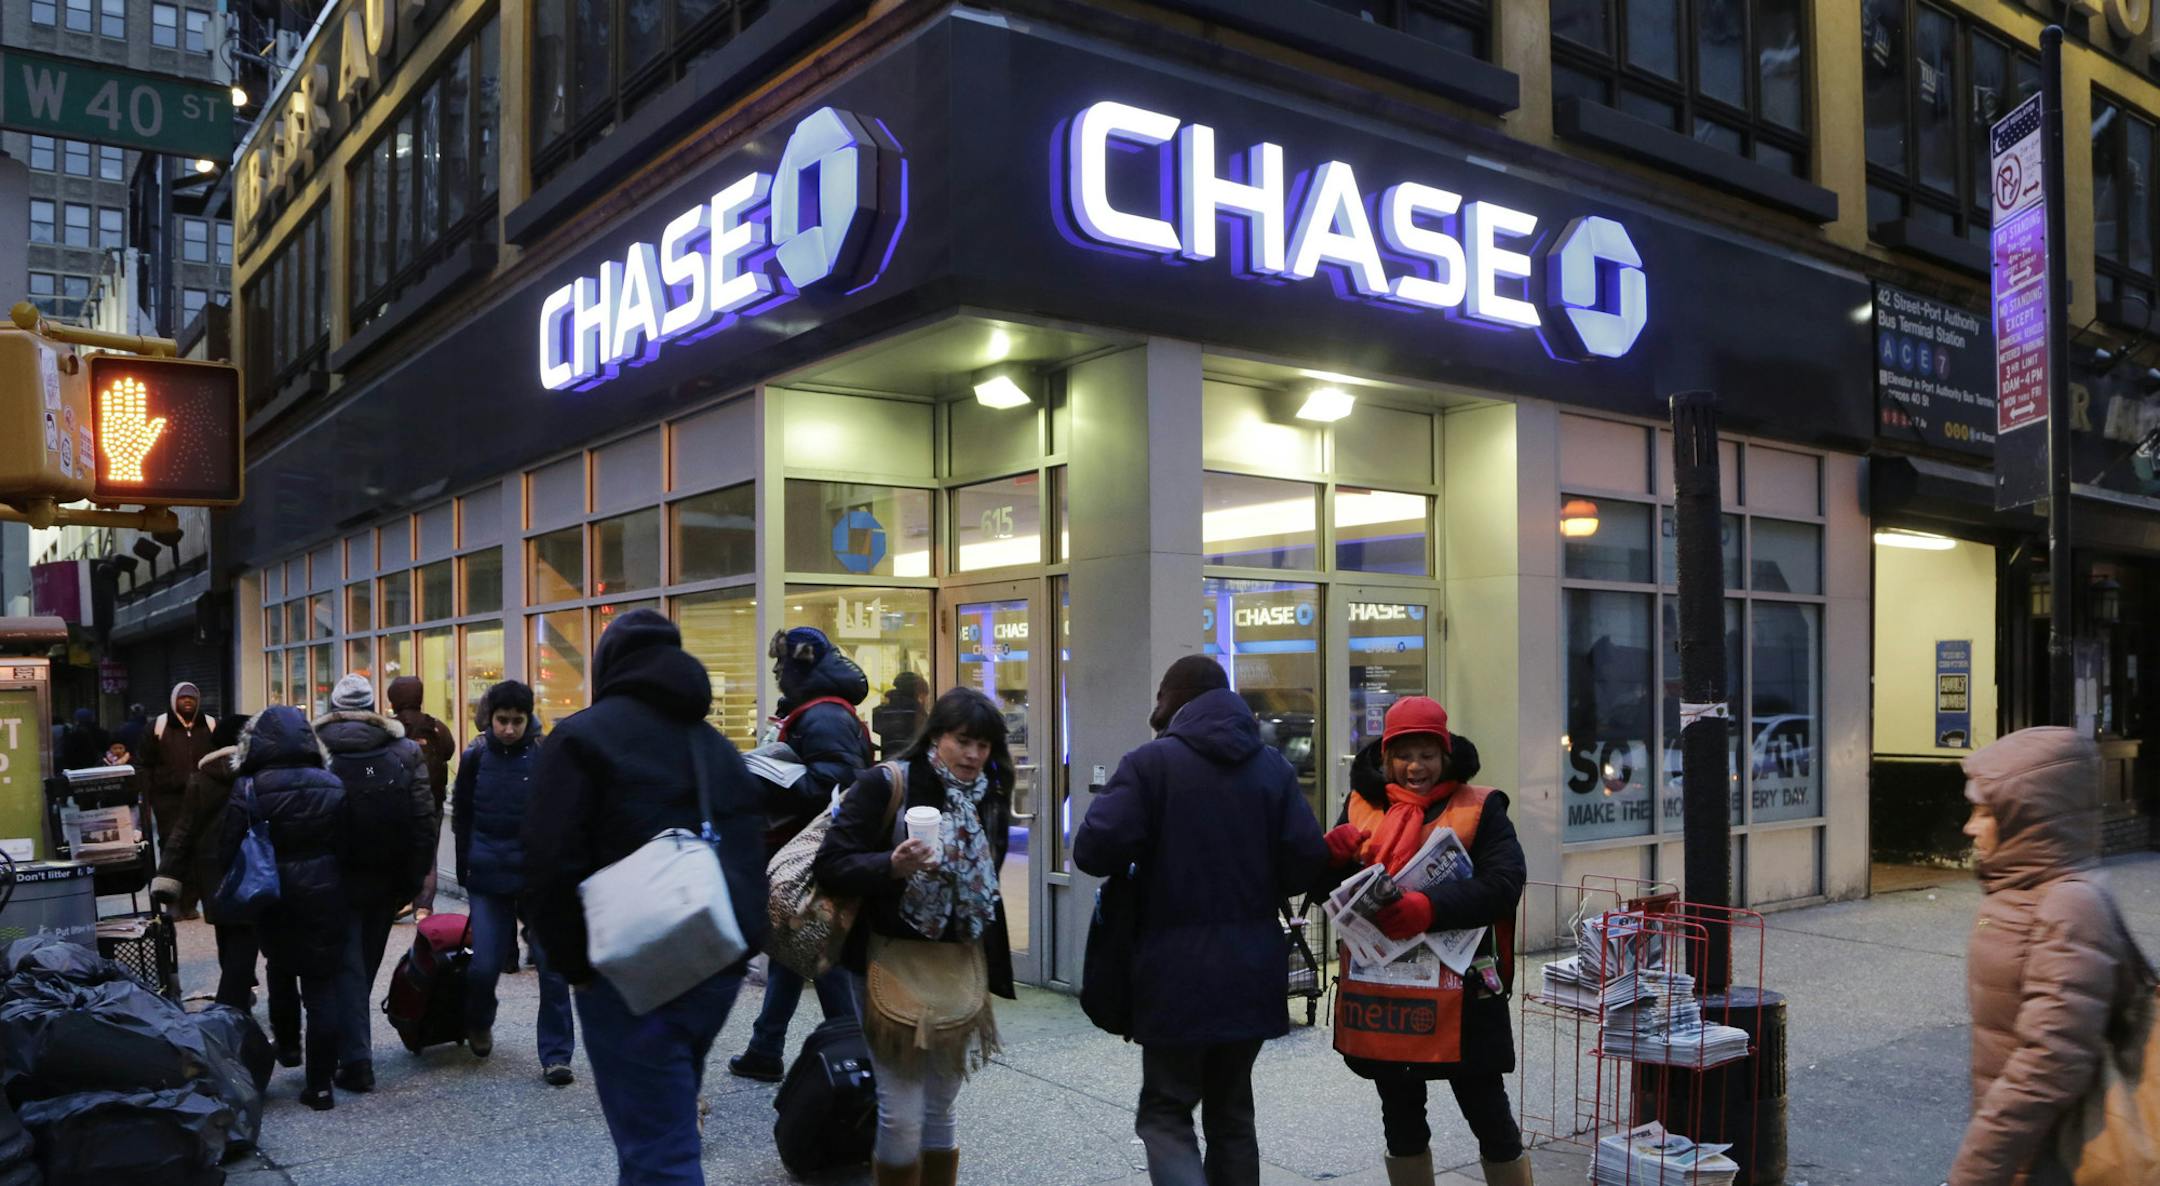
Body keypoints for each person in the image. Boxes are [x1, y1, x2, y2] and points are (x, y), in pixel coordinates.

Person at [523, 610, 767, 1185]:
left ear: (609, 666)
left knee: (661, 1152)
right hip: (712, 960)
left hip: (628, 971)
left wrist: (573, 965)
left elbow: (546, 863)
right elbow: (752, 848)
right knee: (660, 1122)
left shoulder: (581, 738)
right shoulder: (715, 746)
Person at [1073, 655, 1328, 1186]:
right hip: (1253, 970)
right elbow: (1307, 862)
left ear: (1174, 699)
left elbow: (1094, 849)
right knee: (1232, 1115)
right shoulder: (1274, 769)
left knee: (1166, 1112)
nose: (1153, 712)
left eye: (1159, 700)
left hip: (1173, 975)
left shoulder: (1150, 766)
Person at [1317, 697, 1530, 1186]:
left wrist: (1427, 908)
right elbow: (1328, 895)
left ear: (1446, 754)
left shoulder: (1481, 807)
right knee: (1401, 1120)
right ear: (1386, 757)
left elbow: (1504, 882)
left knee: (1490, 1116)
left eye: (1428, 754)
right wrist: (1326, 860)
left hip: (1465, 996)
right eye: (1404, 755)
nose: (1416, 767)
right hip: (1387, 996)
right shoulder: (1359, 807)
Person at [815, 687, 1017, 1186]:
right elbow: (831, 865)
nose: (973, 755)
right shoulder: (889, 784)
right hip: (889, 961)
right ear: (937, 737)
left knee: (942, 1104)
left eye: (984, 745)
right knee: (901, 1110)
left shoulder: (989, 795)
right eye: (963, 741)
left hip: (958, 962)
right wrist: (891, 865)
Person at [1950, 727, 2140, 1186]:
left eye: (1985, 812)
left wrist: (1975, 1170)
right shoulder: (2019, 890)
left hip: (2057, 1158)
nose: (1970, 826)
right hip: (2022, 1154)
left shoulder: (2069, 904)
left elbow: (2050, 1060)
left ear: (2029, 816)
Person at [727, 626, 872, 1083]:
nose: (775, 672)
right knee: (794, 945)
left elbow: (838, 782)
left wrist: (764, 779)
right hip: (803, 849)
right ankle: (765, 1048)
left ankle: (854, 1058)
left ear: (800, 667)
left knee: (816, 951)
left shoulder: (824, 715)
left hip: (810, 852)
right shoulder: (816, 711)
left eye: (781, 664)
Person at [218, 705, 351, 1110]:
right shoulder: (332, 783)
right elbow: (351, 842)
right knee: (321, 984)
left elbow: (227, 846)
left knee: (279, 963)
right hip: (325, 890)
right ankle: (321, 1085)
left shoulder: (250, 787)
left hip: (272, 892)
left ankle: (289, 1045)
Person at [452, 679, 575, 1084]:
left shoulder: (545, 755)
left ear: (528, 719)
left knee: (552, 969)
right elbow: (464, 814)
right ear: (490, 718)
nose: (508, 729)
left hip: (537, 879)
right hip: (488, 874)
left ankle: (556, 1056)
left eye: (516, 721)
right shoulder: (475, 756)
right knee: (484, 966)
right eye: (502, 720)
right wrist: (465, 866)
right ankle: (479, 1021)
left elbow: (562, 814)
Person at [314, 674, 433, 1094]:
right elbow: (423, 817)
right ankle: (351, 1045)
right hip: (388, 877)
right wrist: (416, 877)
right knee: (363, 962)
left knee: (346, 965)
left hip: (336, 876)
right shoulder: (403, 751)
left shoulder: (318, 748)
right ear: (372, 706)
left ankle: (355, 1059)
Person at [153, 715, 287, 1025]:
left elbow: (183, 830)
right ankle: (232, 1007)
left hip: (213, 871)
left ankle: (238, 995)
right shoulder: (259, 775)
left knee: (229, 935)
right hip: (252, 867)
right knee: (246, 937)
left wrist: (168, 873)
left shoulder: (201, 779)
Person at [141, 683, 219, 910]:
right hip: (167, 800)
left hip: (201, 796)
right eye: (183, 698)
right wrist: (145, 796)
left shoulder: (211, 725)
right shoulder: (158, 726)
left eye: (192, 698)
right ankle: (171, 900)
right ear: (174, 700)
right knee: (171, 847)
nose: (188, 701)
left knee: (198, 847)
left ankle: (191, 902)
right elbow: (144, 763)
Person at [386, 676, 456, 920]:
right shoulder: (435, 727)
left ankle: (401, 900)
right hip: (432, 801)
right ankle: (423, 907)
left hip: (396, 802)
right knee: (428, 853)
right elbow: (448, 750)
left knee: (398, 852)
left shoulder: (387, 728)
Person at [870, 671, 930, 761]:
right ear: (918, 694)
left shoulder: (880, 712)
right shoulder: (919, 715)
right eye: (924, 696)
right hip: (911, 763)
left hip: (887, 763)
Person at [56, 707, 108, 772]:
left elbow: (68, 753)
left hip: (78, 768)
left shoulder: (73, 734)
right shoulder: (102, 733)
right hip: (98, 768)